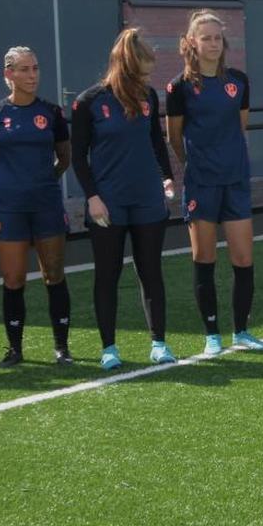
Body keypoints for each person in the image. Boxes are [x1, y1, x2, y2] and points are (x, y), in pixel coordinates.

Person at [72, 28, 176, 370]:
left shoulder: (149, 96)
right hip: (108, 204)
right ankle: (109, 348)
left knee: (151, 273)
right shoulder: (90, 102)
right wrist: (93, 197)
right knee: (108, 274)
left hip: (147, 199)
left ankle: (159, 343)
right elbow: (78, 156)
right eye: (143, 70)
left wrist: (166, 179)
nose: (147, 77)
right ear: (125, 65)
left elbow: (157, 143)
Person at [166, 9, 263, 357]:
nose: (212, 43)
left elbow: (238, 129)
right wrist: (198, 165)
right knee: (204, 258)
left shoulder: (238, 81)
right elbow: (175, 139)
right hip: (201, 185)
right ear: (192, 42)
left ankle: (242, 330)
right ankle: (212, 335)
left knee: (243, 258)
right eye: (205, 37)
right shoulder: (178, 87)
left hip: (235, 182)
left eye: (217, 37)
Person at [0, 46, 73, 367]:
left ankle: (62, 347)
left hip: (46, 204)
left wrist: (44, 180)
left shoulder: (52, 112)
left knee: (54, 276)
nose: (32, 75)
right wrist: (10, 186)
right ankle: (15, 349)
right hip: (9, 207)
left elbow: (65, 158)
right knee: (14, 278)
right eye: (24, 69)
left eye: (35, 68)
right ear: (9, 74)